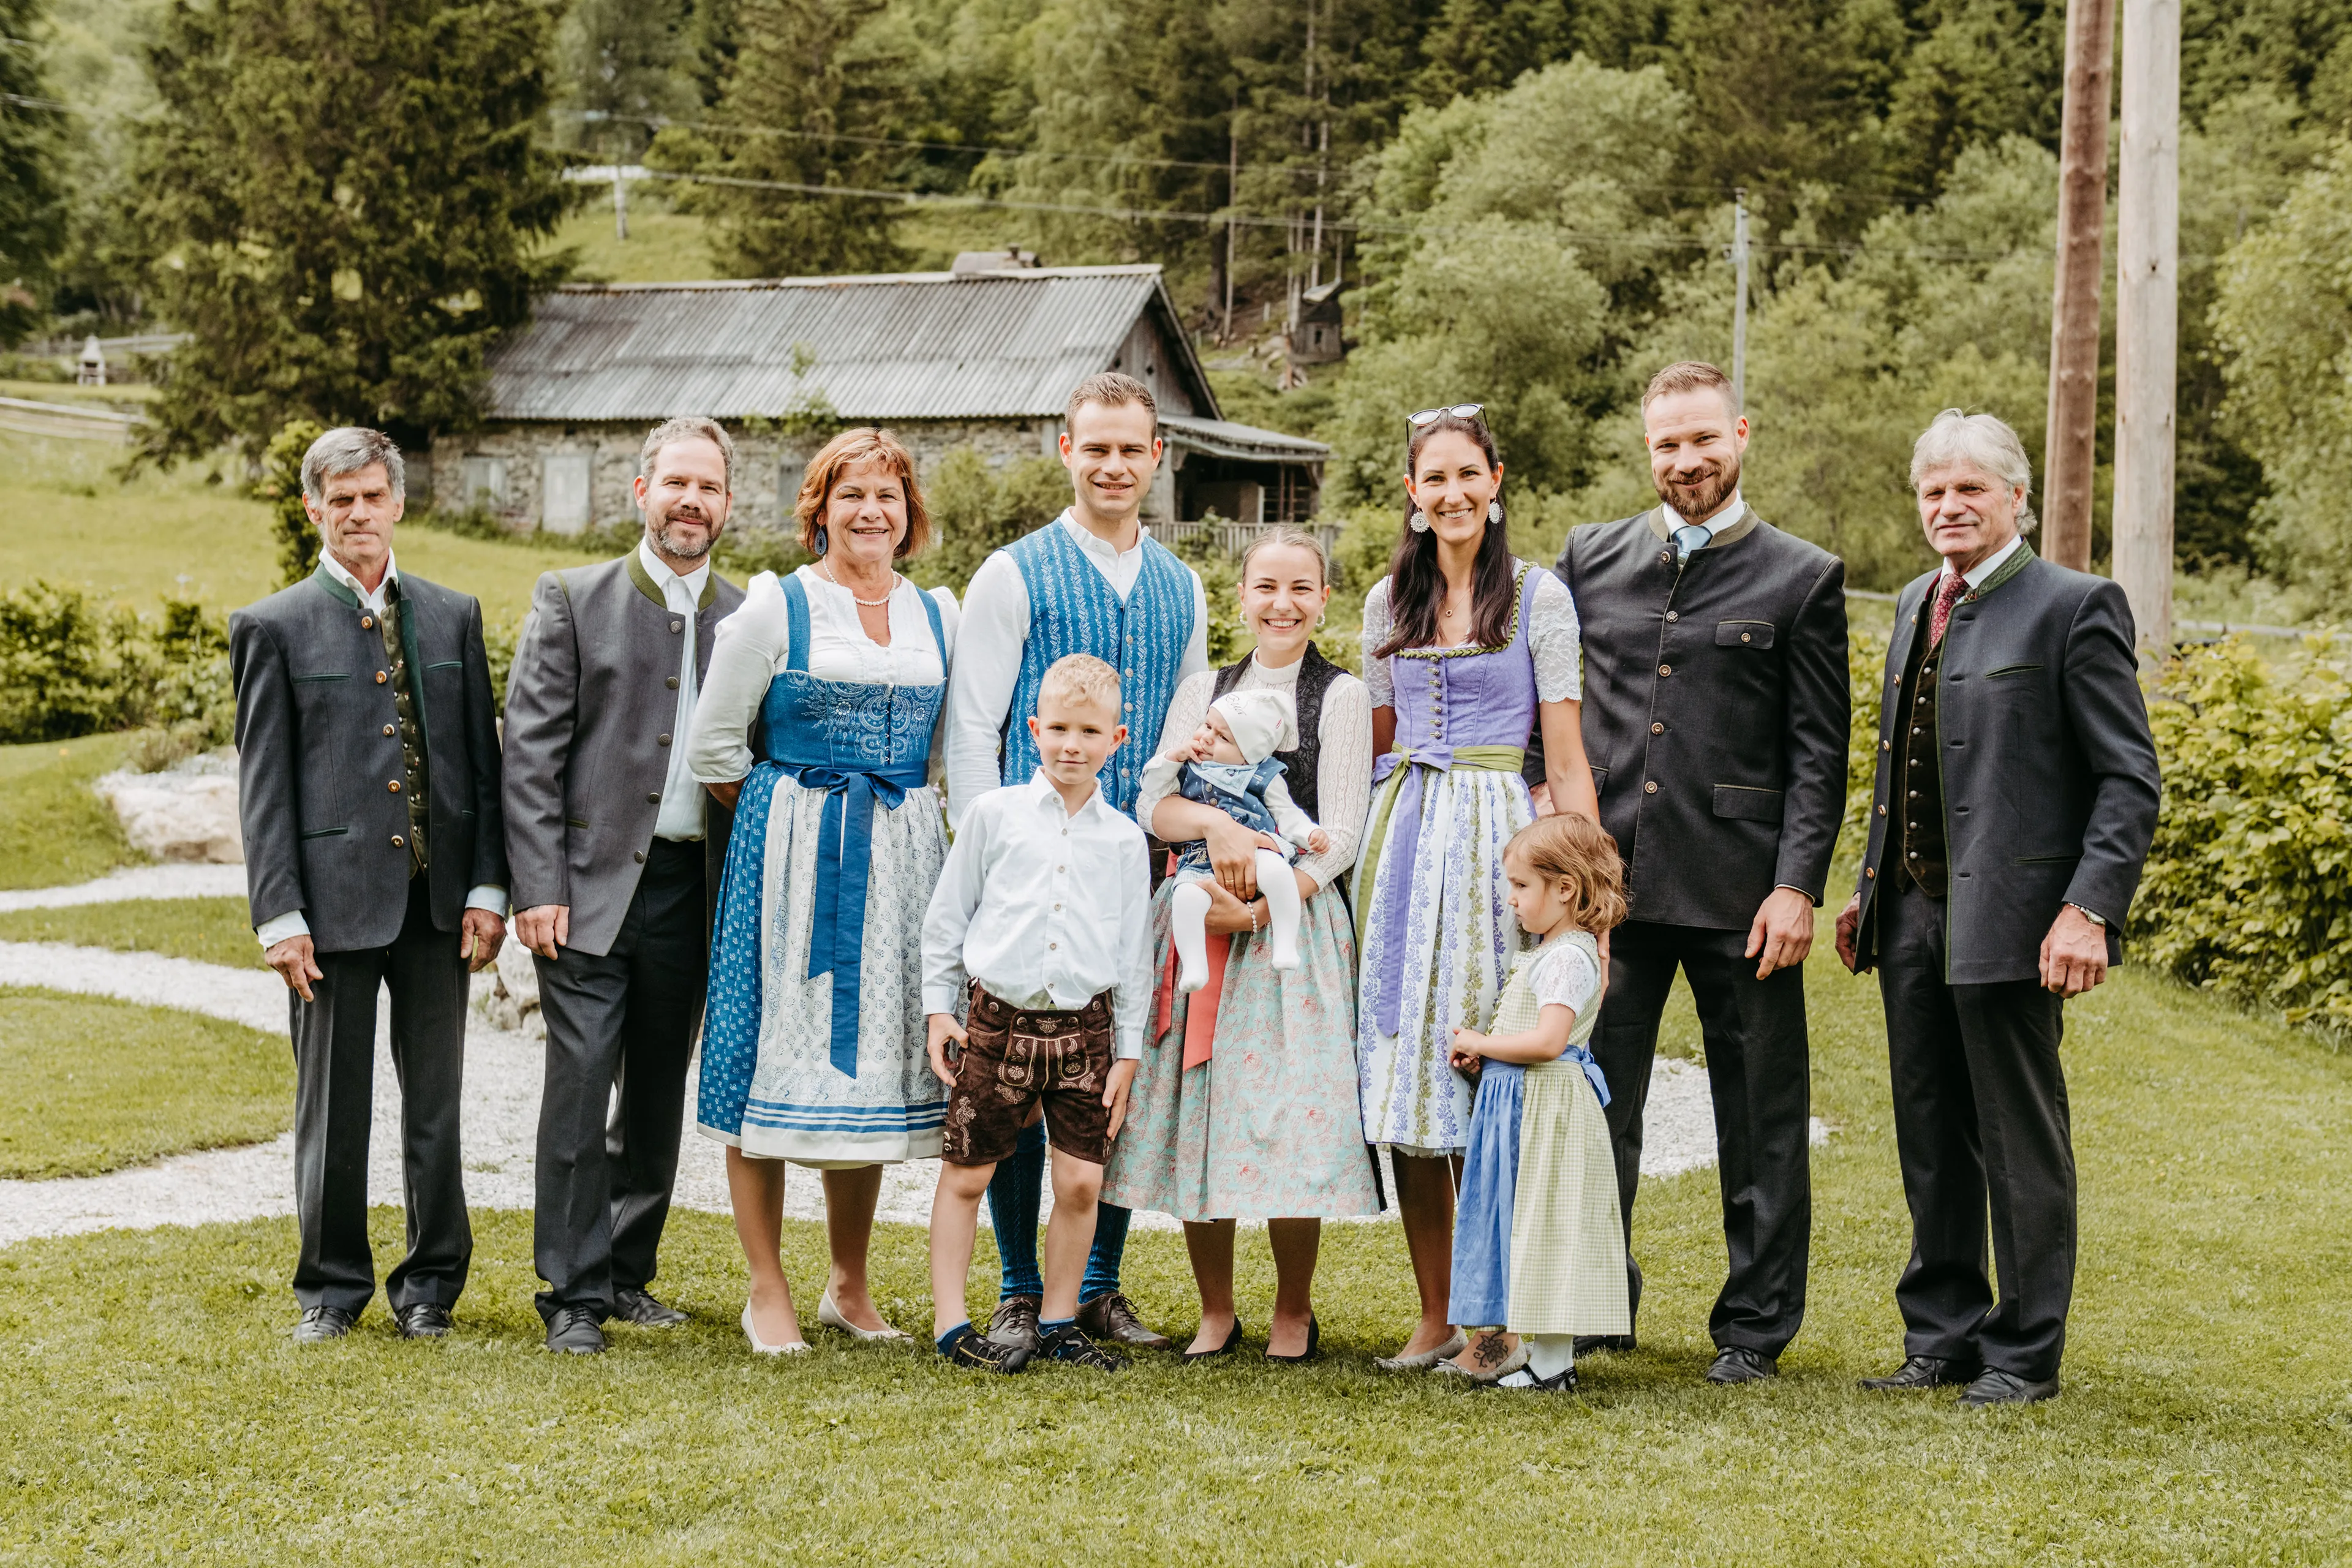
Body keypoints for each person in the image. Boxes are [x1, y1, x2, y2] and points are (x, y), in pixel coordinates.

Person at [1836, 410, 2160, 1408]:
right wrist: (1867, 887)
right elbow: (1903, 766)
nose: (1949, 507)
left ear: (2016, 498)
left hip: (2020, 921)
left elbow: (2127, 779)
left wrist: (2087, 910)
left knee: (2020, 1139)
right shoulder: (1910, 604)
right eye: (1934, 491)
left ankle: (2024, 1351)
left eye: (1970, 489)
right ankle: (1943, 1335)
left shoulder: (2074, 605)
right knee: (1930, 1132)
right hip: (1912, 918)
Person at [1551, 360, 1848, 1384]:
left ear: (1741, 434)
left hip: (1742, 891)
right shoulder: (1590, 560)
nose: (1688, 460)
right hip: (1610, 893)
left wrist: (1799, 885)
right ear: (1648, 450)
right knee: (1595, 1104)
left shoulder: (1803, 575)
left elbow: (1820, 752)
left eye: (1703, 439)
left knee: (1761, 1116)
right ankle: (1594, 1301)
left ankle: (1755, 1328)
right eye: (1668, 444)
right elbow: (1555, 715)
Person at [942, 371, 1207, 1355]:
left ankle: (1098, 1283)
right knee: (1015, 1065)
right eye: (1094, 446)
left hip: (1131, 861)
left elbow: (1182, 735)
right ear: (1067, 451)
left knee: (1107, 1074)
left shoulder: (1183, 584)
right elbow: (973, 727)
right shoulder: (1014, 572)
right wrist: (988, 857)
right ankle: (1018, 1288)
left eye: (1130, 447)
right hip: (1025, 863)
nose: (1112, 464)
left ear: (1156, 457)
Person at [230, 427, 508, 1343]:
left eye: (371, 496)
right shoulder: (272, 626)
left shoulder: (452, 613)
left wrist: (488, 888)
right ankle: (332, 1290)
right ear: (313, 508)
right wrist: (280, 914)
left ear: (397, 502)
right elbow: (264, 787)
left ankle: (430, 1287)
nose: (357, 513)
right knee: (333, 1108)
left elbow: (479, 766)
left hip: (437, 907)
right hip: (332, 908)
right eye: (339, 499)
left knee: (436, 1105)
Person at [688, 428, 958, 1355]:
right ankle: (767, 1289)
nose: (870, 512)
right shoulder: (777, 609)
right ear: (820, 510)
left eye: (887, 495)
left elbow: (945, 750)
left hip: (905, 861)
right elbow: (714, 747)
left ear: (908, 513)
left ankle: (850, 1283)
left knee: (875, 1061)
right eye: (851, 496)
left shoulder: (937, 615)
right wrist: (789, 813)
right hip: (795, 858)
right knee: (768, 1047)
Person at [1356, 404, 1599, 1370]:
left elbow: (1570, 761)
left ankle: (1495, 1315)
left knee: (1485, 1083)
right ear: (1413, 495)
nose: (1453, 494)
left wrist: (1589, 908)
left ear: (1497, 482)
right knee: (1409, 1080)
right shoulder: (1388, 603)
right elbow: (1371, 752)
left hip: (1503, 841)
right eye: (1435, 479)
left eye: (1470, 475)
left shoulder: (1540, 597)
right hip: (1407, 841)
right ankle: (1436, 1314)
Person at [1105, 526, 1381, 1363]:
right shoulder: (1204, 690)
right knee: (1207, 1110)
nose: (1282, 604)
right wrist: (1220, 823)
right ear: (1243, 597)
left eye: (1301, 588)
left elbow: (1339, 833)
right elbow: (1156, 804)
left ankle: (1294, 1307)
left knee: (1291, 1114)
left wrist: (1263, 910)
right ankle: (1216, 1307)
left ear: (1323, 598)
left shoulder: (1341, 698)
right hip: (1197, 916)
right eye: (1266, 587)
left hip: (1291, 923)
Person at [503, 416, 748, 1355]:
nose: (692, 501)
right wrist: (537, 884)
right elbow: (529, 757)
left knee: (655, 1090)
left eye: (709, 488)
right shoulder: (573, 597)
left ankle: (627, 1274)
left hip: (698, 886)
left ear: (728, 505)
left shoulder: (747, 615)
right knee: (579, 1083)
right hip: (589, 888)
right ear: (641, 491)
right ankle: (570, 1292)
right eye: (677, 483)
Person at [921, 654, 1150, 1374]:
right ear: (1033, 729)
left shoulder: (1122, 840)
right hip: (997, 1025)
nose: (1071, 745)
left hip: (1086, 1034)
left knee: (1082, 1181)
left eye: (1089, 730)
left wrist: (1130, 1050)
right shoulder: (994, 815)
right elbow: (946, 918)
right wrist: (938, 1008)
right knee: (968, 1171)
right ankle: (953, 1325)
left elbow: (1134, 949)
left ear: (1118, 737)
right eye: (1058, 728)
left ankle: (1057, 1320)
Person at [1439, 813, 1630, 1391]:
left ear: (1565, 888)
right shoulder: (1549, 952)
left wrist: (1479, 1041)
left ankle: (1554, 1367)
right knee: (1527, 1228)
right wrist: (1490, 1060)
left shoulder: (1569, 957)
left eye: (1522, 887)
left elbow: (1549, 1042)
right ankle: (1544, 1360)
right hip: (1523, 1105)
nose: (1512, 900)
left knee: (1546, 1228)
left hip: (1547, 1113)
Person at [1140, 687, 1330, 989]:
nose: (1206, 738)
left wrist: (1309, 833)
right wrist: (1170, 758)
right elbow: (1151, 791)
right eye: (1207, 726)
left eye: (1223, 737)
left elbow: (1286, 812)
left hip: (1258, 848)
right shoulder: (1187, 764)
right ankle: (1194, 967)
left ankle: (1285, 943)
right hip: (1200, 857)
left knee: (1280, 874)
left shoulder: (1262, 774)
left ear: (1248, 755)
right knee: (1186, 898)